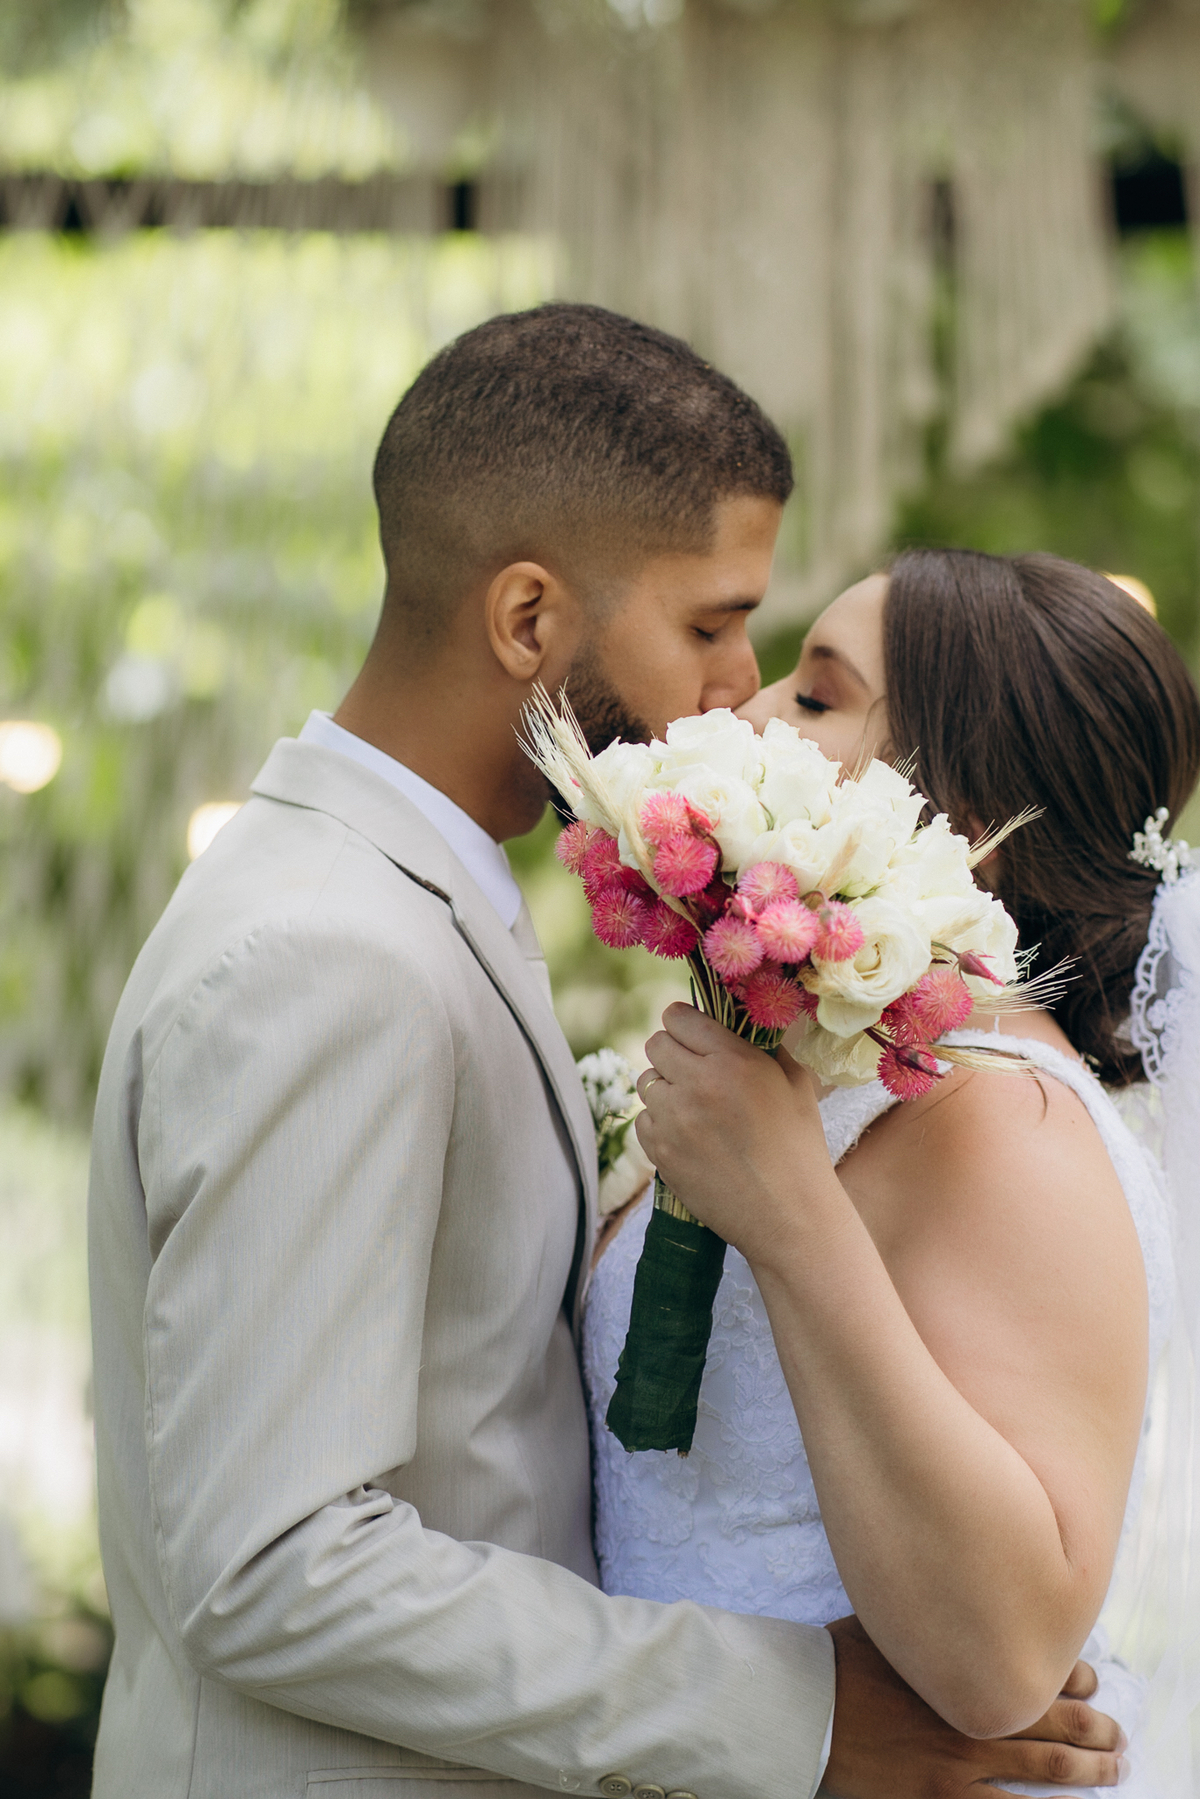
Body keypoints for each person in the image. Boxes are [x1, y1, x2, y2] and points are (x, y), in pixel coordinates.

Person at [89, 311, 1122, 1799]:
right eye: (710, 623)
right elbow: (274, 1563)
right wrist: (803, 1715)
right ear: (528, 621)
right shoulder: (328, 952)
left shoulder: (412, 902)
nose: (739, 687)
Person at [594, 548, 1200, 1797]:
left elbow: (999, 1661)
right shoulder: (845, 1075)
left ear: (965, 823)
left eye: (816, 697)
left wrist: (791, 1215)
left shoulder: (1004, 1114)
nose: (749, 710)